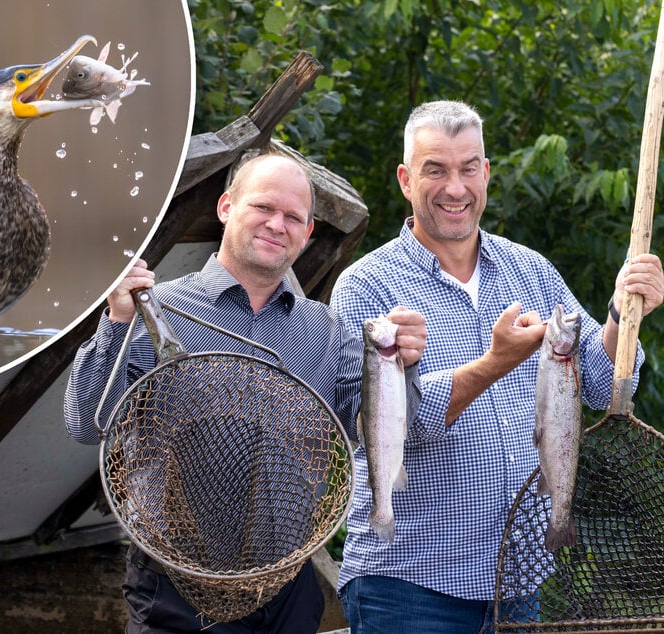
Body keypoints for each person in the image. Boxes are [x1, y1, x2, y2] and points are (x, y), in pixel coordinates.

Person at [330, 100, 664, 633]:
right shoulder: (367, 286)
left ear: (486, 174)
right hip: (409, 588)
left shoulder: (530, 269)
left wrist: (621, 313)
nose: (455, 188)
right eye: (435, 169)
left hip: (519, 584)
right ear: (404, 179)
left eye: (468, 168)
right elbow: (386, 433)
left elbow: (603, 386)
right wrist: (494, 363)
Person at [64, 153, 426, 633]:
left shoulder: (327, 331)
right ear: (225, 207)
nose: (277, 224)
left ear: (308, 232)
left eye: (293, 217)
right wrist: (116, 322)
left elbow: (383, 429)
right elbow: (86, 423)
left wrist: (404, 369)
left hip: (287, 589)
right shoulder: (156, 310)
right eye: (263, 207)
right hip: (176, 588)